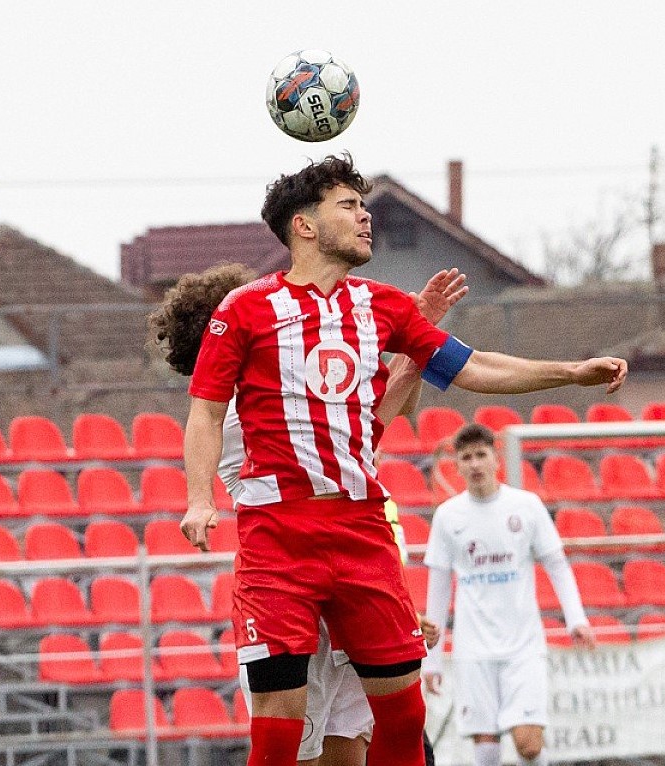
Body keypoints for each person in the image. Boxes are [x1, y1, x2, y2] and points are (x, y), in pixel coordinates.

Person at [178, 153, 627, 766]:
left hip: (361, 531)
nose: (366, 217)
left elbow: (470, 366)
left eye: (364, 205)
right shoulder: (245, 309)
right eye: (348, 206)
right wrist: (198, 499)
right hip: (278, 535)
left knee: (406, 717)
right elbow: (205, 411)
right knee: (279, 734)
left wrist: (570, 372)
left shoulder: (382, 306)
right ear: (304, 226)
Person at [149, 262, 462, 765]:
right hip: (295, 600)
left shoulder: (295, 388)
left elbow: (372, 422)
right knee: (303, 756)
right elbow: (371, 419)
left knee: (352, 749)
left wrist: (411, 341)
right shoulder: (243, 409)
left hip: (350, 582)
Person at [422, 424, 594, 766]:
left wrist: (577, 619)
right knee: (485, 745)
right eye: (466, 457)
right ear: (457, 466)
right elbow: (438, 587)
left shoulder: (526, 506)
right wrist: (433, 659)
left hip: (523, 647)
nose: (475, 464)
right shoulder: (448, 516)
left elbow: (557, 565)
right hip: (473, 649)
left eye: (481, 455)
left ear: (496, 459)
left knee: (529, 744)